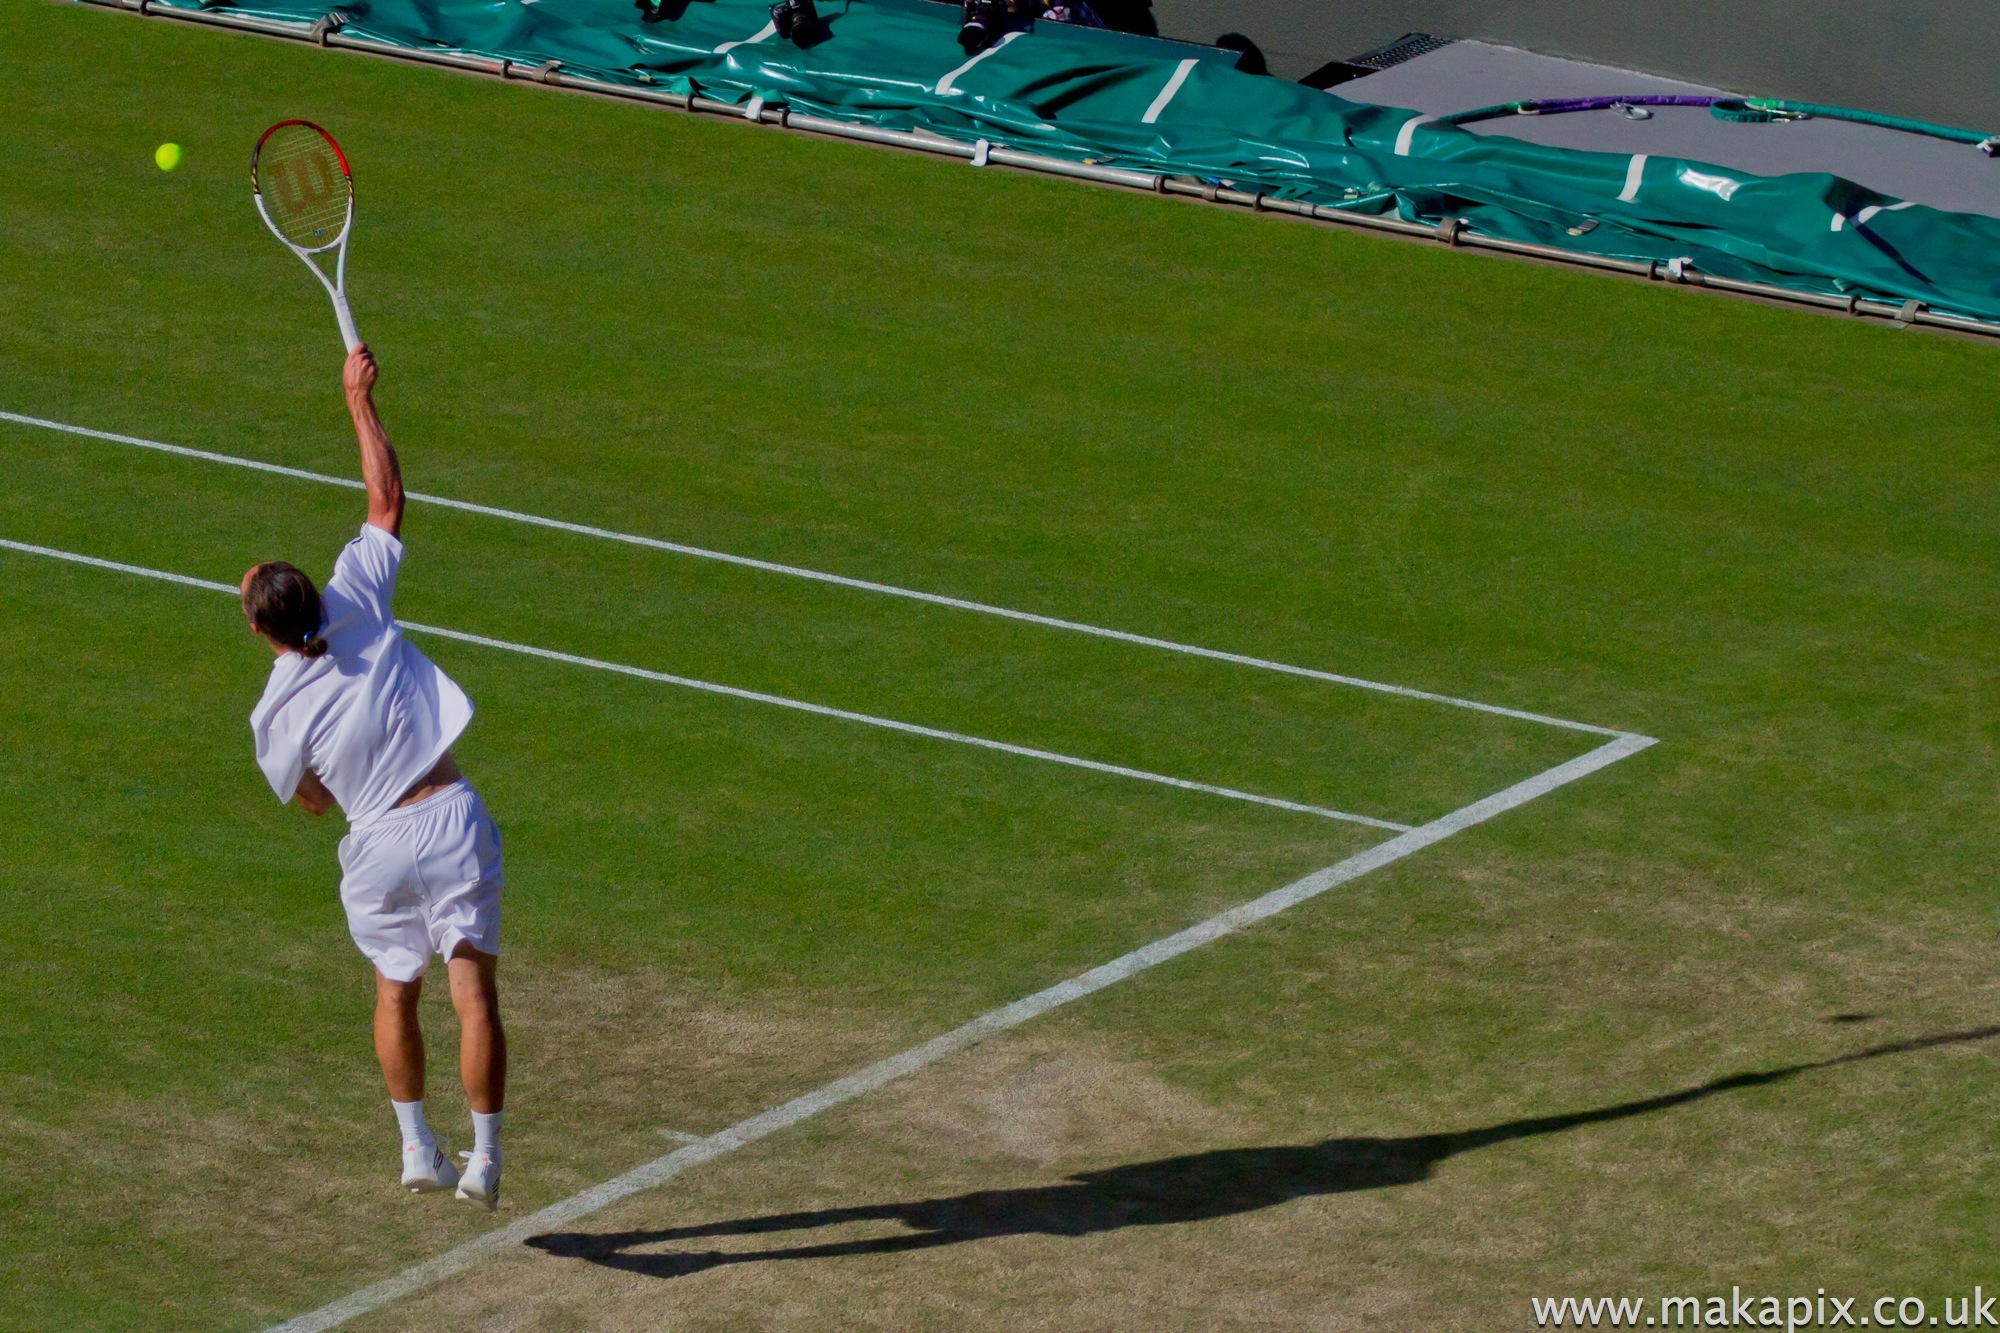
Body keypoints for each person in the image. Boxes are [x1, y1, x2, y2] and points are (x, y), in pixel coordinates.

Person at [242, 346, 507, 1210]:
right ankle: (486, 1159)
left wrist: (338, 775)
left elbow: (311, 799)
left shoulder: (273, 717)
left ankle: (415, 1147)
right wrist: (358, 400)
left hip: (378, 843)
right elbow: (387, 500)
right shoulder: (355, 592)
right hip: (451, 816)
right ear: (312, 598)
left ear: (264, 633)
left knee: (397, 989)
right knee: (472, 991)